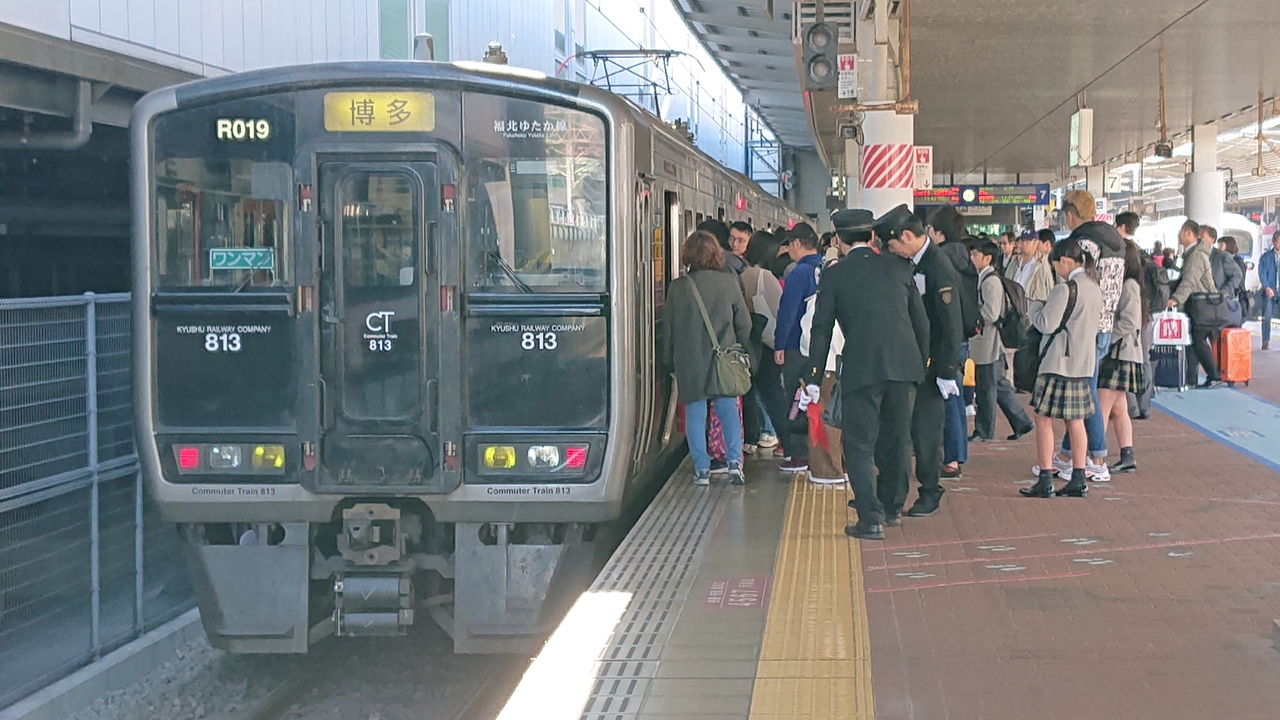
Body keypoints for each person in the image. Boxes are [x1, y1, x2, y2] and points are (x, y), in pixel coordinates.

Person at [806, 226, 930, 539]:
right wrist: (921, 362)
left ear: (838, 240)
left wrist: (813, 377)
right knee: (899, 438)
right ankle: (892, 508)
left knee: (859, 444)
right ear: (872, 236)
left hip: (862, 369)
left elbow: (821, 328)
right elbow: (921, 322)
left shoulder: (834, 274)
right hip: (904, 368)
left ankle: (870, 519)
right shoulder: (899, 268)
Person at [881, 205, 964, 518]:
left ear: (906, 236)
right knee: (905, 429)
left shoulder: (937, 265)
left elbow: (951, 322)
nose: (893, 251)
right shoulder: (913, 262)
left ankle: (930, 492)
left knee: (926, 432)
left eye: (893, 245)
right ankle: (894, 493)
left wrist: (947, 369)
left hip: (932, 365)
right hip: (912, 360)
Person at [659, 230, 753, 486]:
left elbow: (668, 329)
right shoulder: (728, 282)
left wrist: (668, 361)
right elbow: (744, 323)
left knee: (695, 413)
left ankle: (702, 470)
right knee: (728, 410)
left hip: (690, 362)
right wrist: (738, 349)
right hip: (723, 359)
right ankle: (734, 463)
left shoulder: (679, 287)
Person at [1048, 189, 1124, 483]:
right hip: (1106, 324)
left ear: (1070, 215)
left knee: (1085, 394)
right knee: (1085, 389)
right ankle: (1069, 456)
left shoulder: (1084, 243)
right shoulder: (1115, 239)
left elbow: (1080, 285)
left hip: (1086, 326)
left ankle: (1098, 459)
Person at [1022, 238, 1104, 499]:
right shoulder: (1094, 287)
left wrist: (1035, 306)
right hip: (1083, 363)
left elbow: (1046, 323)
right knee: (1075, 421)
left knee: (1043, 418)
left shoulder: (1065, 289)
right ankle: (1078, 477)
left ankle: (1045, 477)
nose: (1056, 269)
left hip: (1058, 362)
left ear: (1066, 260)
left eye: (1056, 264)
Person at [925, 205, 974, 479]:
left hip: (946, 337)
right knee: (955, 396)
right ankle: (957, 453)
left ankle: (951, 458)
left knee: (947, 397)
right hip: (962, 336)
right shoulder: (965, 257)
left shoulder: (940, 259)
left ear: (938, 232)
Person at [969, 239, 1034, 442]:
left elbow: (991, 313)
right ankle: (1022, 422)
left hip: (989, 341)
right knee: (999, 385)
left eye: (975, 255)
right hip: (988, 342)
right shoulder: (986, 278)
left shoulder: (990, 281)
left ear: (987, 258)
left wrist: (972, 316)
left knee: (986, 388)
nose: (972, 258)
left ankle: (984, 430)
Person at [773, 222, 823, 473]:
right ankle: (820, 452)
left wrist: (779, 344)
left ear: (796, 244)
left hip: (796, 346)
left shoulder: (798, 273)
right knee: (819, 398)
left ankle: (799, 455)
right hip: (822, 348)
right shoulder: (826, 267)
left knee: (795, 398)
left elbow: (787, 313)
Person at [1100, 241, 1148, 473]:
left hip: (1121, 353)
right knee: (1119, 408)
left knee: (1101, 406)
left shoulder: (1128, 286)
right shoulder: (1130, 284)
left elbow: (1130, 321)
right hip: (1125, 353)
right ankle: (1127, 454)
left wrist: (1107, 338)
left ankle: (1093, 456)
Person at [743, 231, 785, 453]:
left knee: (754, 390)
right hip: (768, 343)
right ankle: (775, 433)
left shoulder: (741, 274)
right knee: (772, 392)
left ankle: (757, 432)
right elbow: (781, 310)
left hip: (750, 341)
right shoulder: (765, 276)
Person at [1168, 219, 1222, 388]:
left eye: (1181, 232)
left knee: (1198, 340)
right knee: (1193, 339)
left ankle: (1214, 376)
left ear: (1188, 233)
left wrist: (1176, 299)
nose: (1179, 236)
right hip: (1197, 304)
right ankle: (1191, 378)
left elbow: (1189, 281)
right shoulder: (1192, 253)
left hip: (1202, 304)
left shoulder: (1197, 255)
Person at [1014, 229, 1056, 312]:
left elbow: (1048, 290)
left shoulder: (1042, 265)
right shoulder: (1014, 263)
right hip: (1013, 310)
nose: (1024, 243)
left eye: (1028, 241)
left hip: (1032, 312)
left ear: (1036, 243)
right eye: (1023, 240)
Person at [1200, 225, 1243, 298]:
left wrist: (1223, 292)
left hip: (1219, 300)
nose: (1199, 239)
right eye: (1197, 236)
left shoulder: (1221, 256)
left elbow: (1237, 274)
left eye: (1202, 236)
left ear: (1212, 239)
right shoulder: (1195, 256)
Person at [1258, 230, 1280, 350]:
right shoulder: (1265, 257)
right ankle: (1265, 340)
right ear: (1273, 242)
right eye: (1278, 241)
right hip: (1269, 290)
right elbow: (1262, 273)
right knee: (1267, 317)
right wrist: (1266, 287)